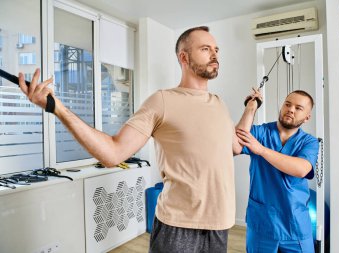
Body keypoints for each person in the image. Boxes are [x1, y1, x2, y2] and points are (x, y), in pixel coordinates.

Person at [18, 26, 243, 253]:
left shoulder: (219, 104)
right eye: (205, 49)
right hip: (179, 226)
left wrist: (251, 108)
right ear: (183, 57)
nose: (214, 55)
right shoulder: (162, 101)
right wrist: (58, 109)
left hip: (219, 225)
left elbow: (232, 147)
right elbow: (113, 153)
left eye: (216, 49)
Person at [236, 90, 319, 253]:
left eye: (298, 108)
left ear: (307, 117)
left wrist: (261, 150)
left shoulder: (309, 142)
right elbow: (236, 142)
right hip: (262, 223)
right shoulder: (261, 132)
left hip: (295, 225)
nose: (291, 109)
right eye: (287, 104)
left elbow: (301, 169)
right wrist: (251, 107)